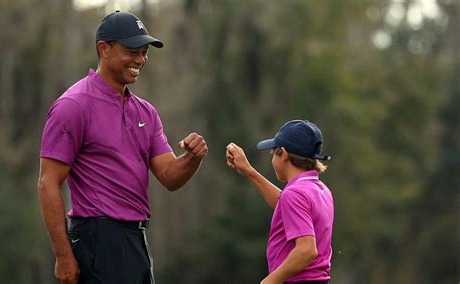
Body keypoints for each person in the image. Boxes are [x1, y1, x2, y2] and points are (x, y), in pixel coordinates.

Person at [38, 11, 208, 284]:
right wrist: (63, 255)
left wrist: (192, 157)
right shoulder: (74, 105)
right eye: (132, 51)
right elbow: (48, 182)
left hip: (136, 240)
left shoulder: (146, 112)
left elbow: (170, 176)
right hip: (98, 241)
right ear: (103, 49)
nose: (140, 60)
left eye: (144, 53)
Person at [226, 120, 333, 284]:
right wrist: (248, 171)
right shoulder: (320, 189)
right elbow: (286, 206)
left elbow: (307, 250)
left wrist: (270, 281)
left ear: (283, 154)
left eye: (272, 153)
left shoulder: (295, 194)